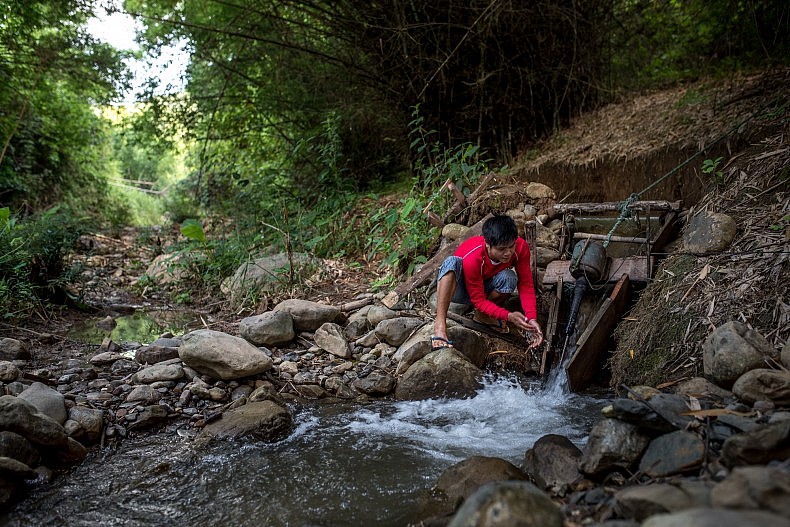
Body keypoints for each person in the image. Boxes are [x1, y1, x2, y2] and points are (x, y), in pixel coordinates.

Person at [432, 214, 544, 351]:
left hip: (484, 284)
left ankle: (483, 315)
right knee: (451, 262)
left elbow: (526, 284)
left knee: (509, 277)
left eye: (511, 246)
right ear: (488, 244)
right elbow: (478, 299)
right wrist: (508, 316)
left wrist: (532, 318)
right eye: (501, 249)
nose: (508, 253)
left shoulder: (520, 247)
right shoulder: (474, 256)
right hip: (458, 289)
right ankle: (439, 325)